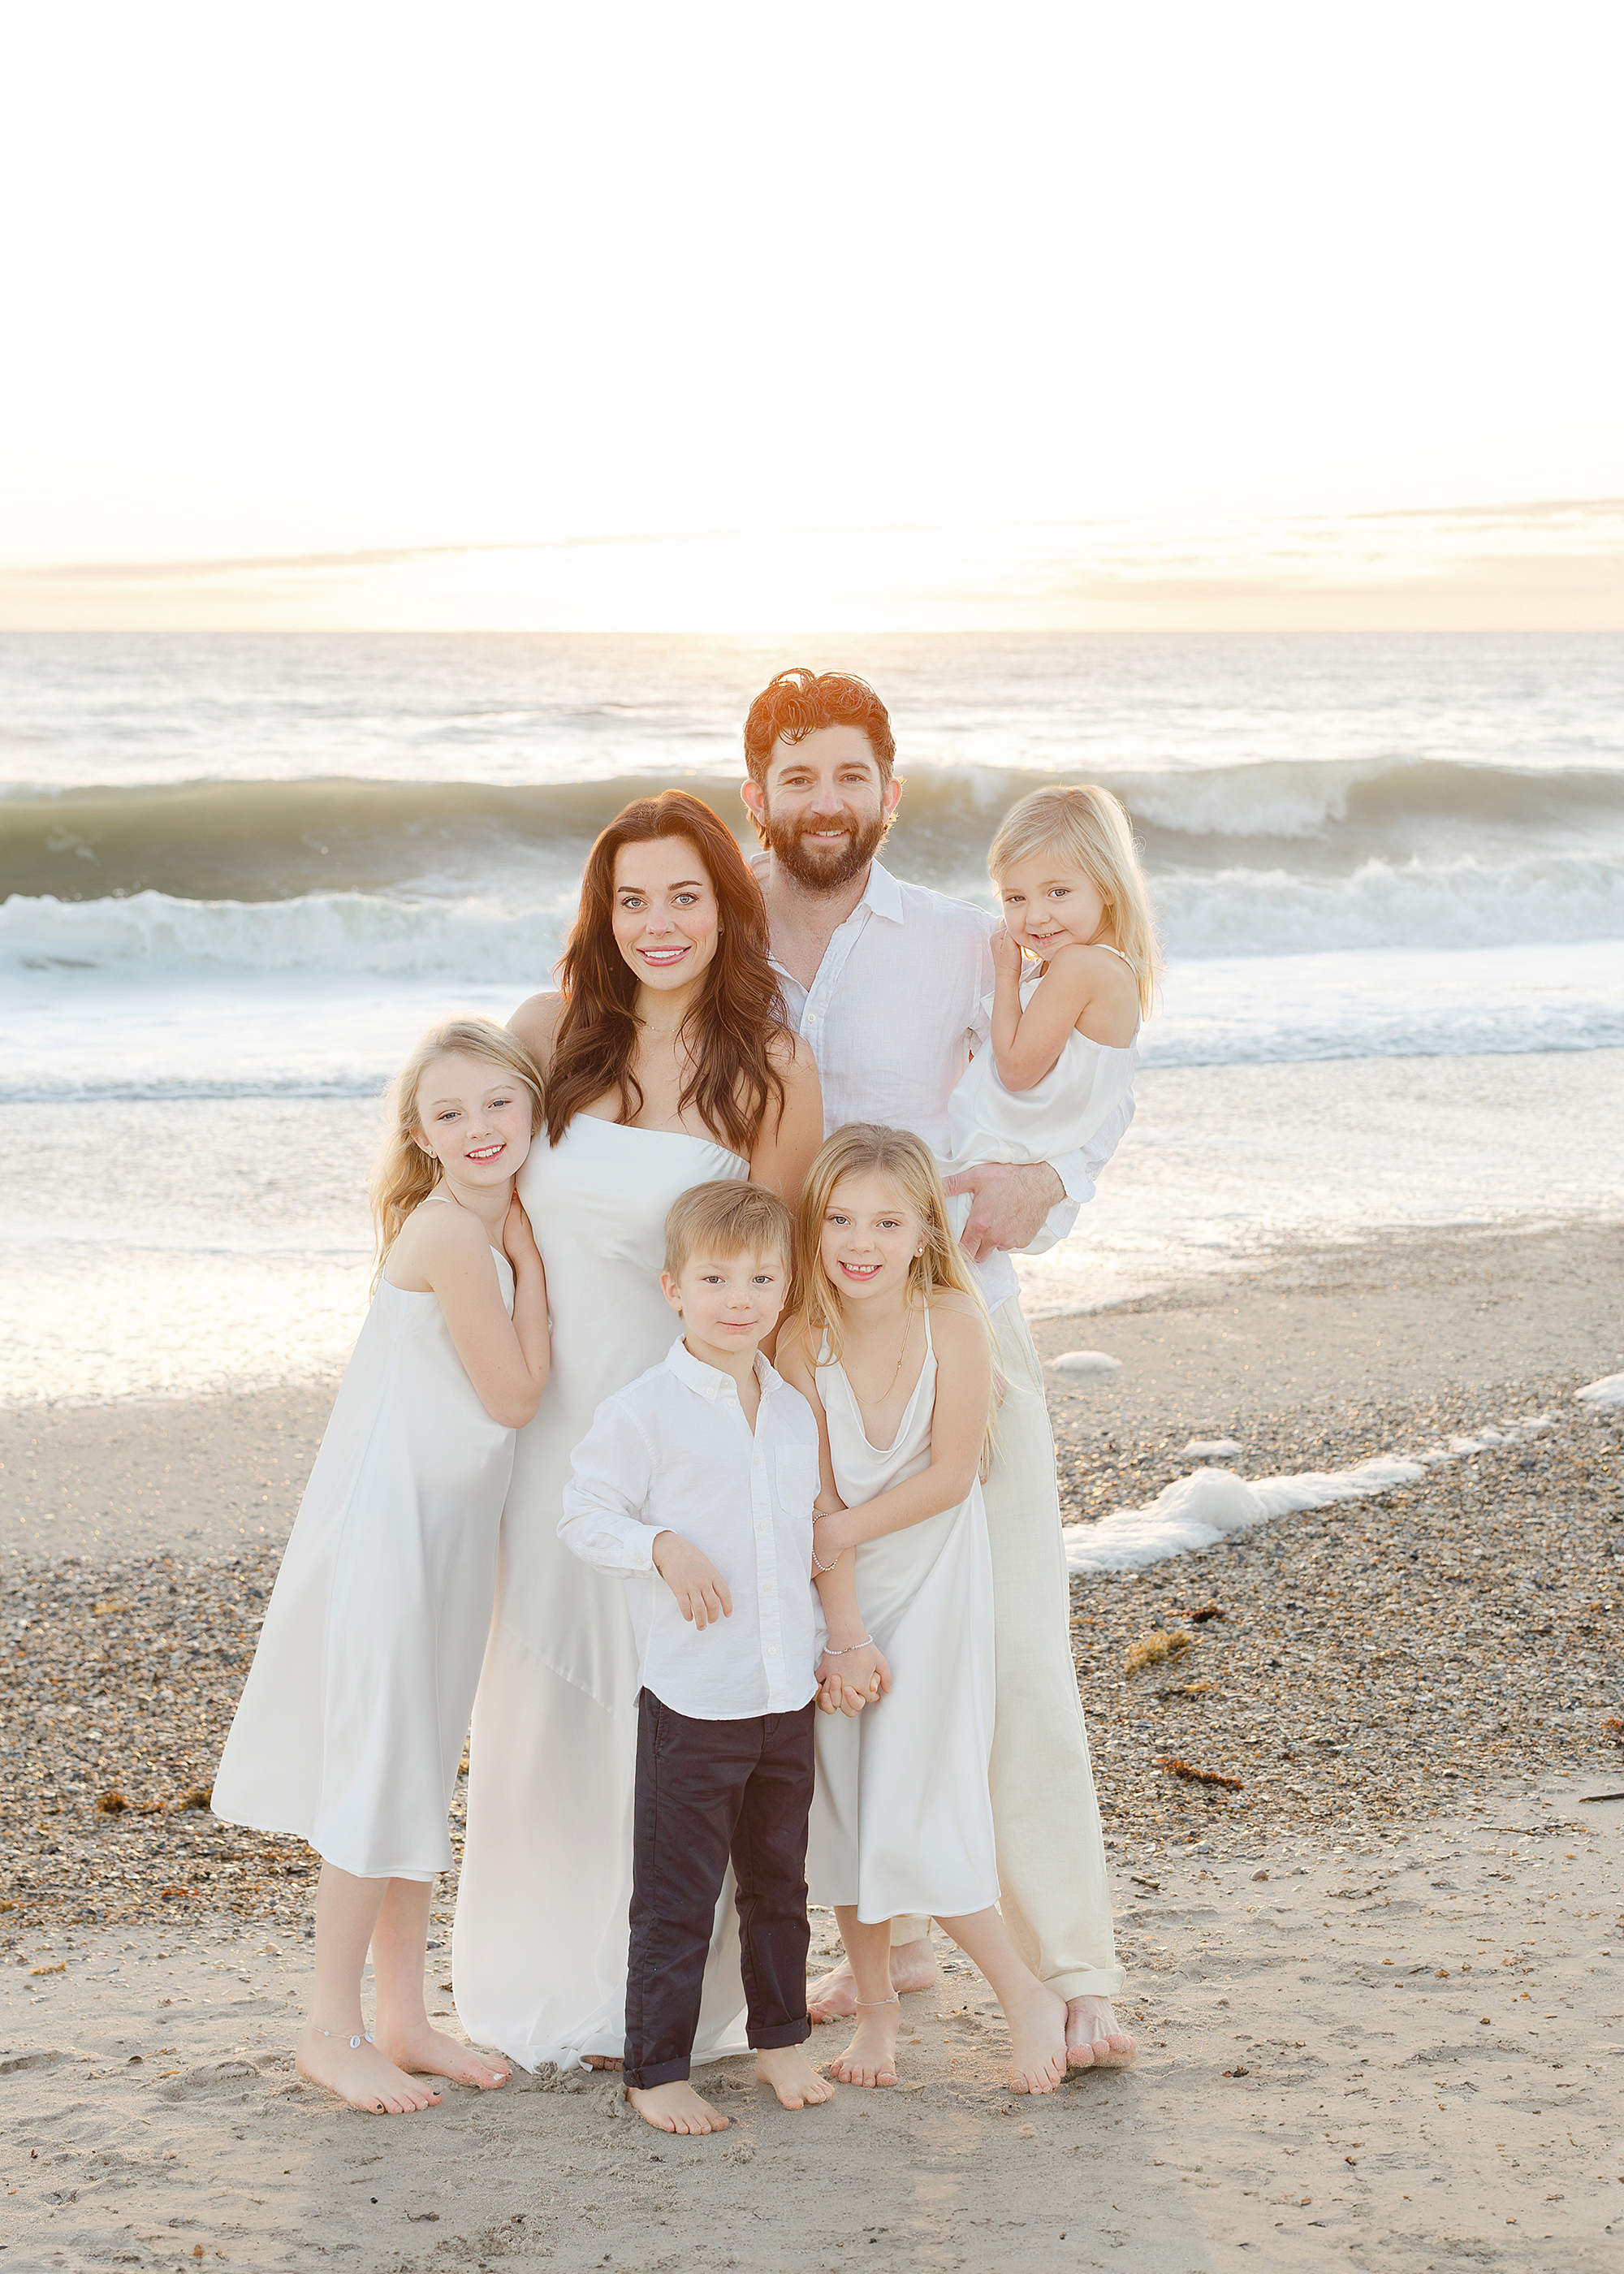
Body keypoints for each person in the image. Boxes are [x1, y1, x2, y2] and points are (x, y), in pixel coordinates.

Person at [740, 668, 1138, 2069]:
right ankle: (885, 1937)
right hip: (778, 1352)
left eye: (851, 775)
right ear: (760, 797)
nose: (826, 802)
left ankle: (1073, 1967)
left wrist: (1061, 1181)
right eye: (799, 777)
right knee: (814, 1657)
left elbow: (1093, 1065)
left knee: (1018, 1652)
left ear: (888, 793)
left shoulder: (971, 938)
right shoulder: (706, 933)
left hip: (961, 1326)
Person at [452, 789, 824, 2072]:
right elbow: (471, 1201)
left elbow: (777, 1279)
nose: (657, 924)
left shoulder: (771, 1061)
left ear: (727, 905)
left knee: (686, 1700)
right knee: (552, 1699)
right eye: (631, 900)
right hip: (557, 1413)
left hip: (693, 1429)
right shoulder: (546, 1032)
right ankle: (547, 1985)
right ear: (599, 915)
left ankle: (678, 2005)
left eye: (684, 896)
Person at [212, 1018, 551, 2114]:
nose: (480, 1128)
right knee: (376, 1774)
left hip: (444, 1538)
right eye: (449, 1113)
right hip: (392, 1538)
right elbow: (514, 1397)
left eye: (498, 1102)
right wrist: (536, 1270)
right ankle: (330, 2026)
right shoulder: (457, 1236)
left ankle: (403, 2017)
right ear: (420, 1134)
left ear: (533, 1105)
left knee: (413, 1765)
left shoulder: (486, 1222)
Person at [780, 1125, 1071, 2095]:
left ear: (921, 1233)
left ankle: (1024, 1994)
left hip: (936, 1586)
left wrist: (839, 1536)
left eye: (886, 1221)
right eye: (839, 1219)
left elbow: (949, 1476)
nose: (859, 1242)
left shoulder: (951, 1316)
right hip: (840, 1600)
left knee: (917, 1804)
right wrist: (843, 1630)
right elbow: (812, 1498)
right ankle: (876, 2015)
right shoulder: (796, 1334)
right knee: (850, 1810)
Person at [559, 1180, 836, 2134]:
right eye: (715, 1277)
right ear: (673, 1287)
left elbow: (807, 1536)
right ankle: (655, 2068)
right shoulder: (646, 1409)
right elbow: (583, 1513)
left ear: (786, 1286)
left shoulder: (794, 1409)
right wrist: (661, 1544)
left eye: (761, 1277)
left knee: (778, 1887)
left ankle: (780, 2041)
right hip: (692, 1698)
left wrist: (832, 1646)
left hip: (783, 1689)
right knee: (677, 1897)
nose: (739, 1297)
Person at [939, 784, 1154, 1247]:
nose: (1035, 917)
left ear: (1108, 885)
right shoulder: (1109, 967)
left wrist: (1006, 971)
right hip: (1010, 1158)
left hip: (989, 1159)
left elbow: (1015, 1069)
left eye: (1057, 892)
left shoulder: (1079, 967)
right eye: (1015, 898)